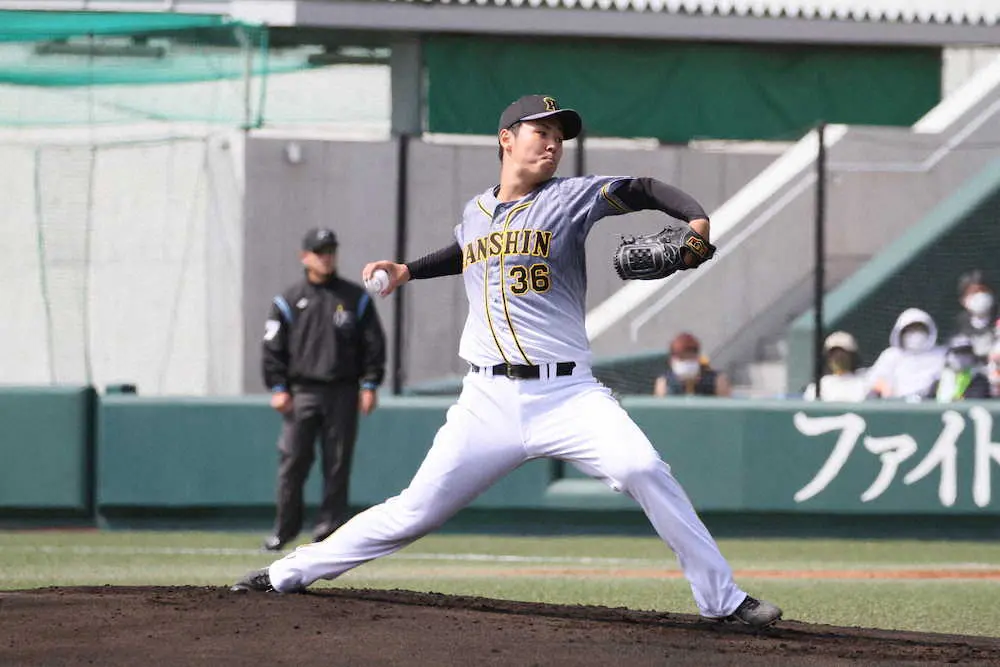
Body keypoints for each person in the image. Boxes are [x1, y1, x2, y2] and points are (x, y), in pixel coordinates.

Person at [233, 95, 781, 628]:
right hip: (487, 401)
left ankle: (722, 600)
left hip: (567, 395)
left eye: (559, 136)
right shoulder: (475, 210)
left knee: (642, 468)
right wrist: (407, 270)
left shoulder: (572, 197)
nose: (553, 144)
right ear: (507, 138)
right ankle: (288, 572)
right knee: (413, 511)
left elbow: (641, 189)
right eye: (541, 131)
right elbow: (468, 250)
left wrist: (696, 221)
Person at [259, 227, 387, 552]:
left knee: (337, 463)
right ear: (305, 256)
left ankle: (328, 531)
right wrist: (277, 386)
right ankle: (284, 530)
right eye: (320, 252)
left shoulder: (354, 298)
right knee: (293, 462)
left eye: (330, 251)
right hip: (301, 392)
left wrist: (370, 383)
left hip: (343, 391)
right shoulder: (288, 300)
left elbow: (373, 344)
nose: (326, 257)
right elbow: (272, 346)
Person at [865, 307, 946, 401]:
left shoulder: (942, 354)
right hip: (896, 407)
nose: (915, 334)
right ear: (901, 332)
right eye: (910, 330)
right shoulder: (891, 355)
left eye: (919, 329)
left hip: (932, 406)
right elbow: (875, 382)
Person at [653, 332, 731, 397]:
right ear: (671, 361)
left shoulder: (717, 380)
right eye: (682, 359)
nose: (687, 363)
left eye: (691, 358)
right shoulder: (664, 383)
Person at [803, 331, 867, 402]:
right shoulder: (817, 387)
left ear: (852, 356)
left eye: (842, 353)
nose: (837, 358)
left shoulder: (866, 382)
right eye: (833, 354)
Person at [930, 334, 991, 402]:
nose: (962, 357)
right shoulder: (939, 379)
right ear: (948, 356)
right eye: (957, 353)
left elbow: (976, 399)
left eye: (966, 353)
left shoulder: (979, 379)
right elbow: (928, 400)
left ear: (973, 357)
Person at [952, 270, 996, 362]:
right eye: (973, 292)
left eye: (983, 290)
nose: (979, 295)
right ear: (963, 301)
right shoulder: (958, 327)